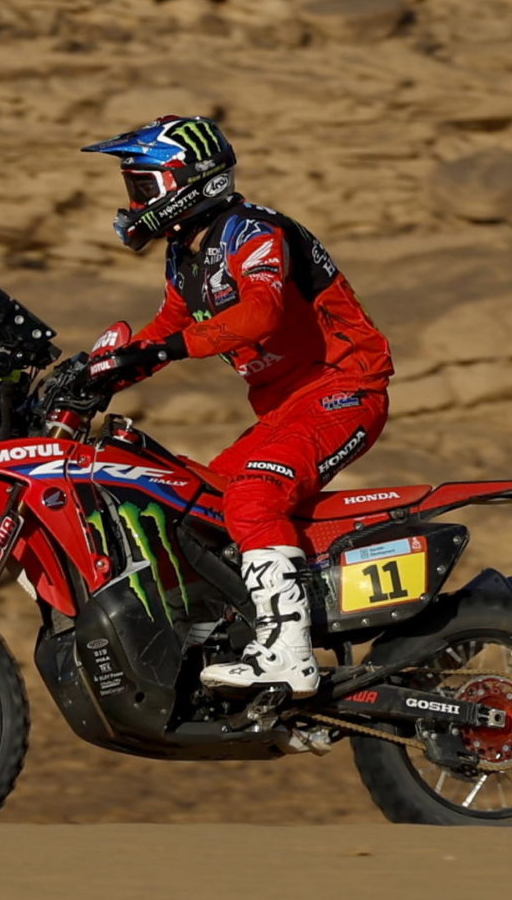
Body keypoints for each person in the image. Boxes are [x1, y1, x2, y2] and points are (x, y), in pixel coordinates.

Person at [78, 115, 392, 696]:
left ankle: (290, 657)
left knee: (252, 496)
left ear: (190, 181)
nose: (133, 201)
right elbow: (168, 327)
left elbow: (260, 313)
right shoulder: (184, 255)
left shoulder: (253, 231)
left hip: (345, 390)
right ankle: (236, 641)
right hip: (284, 410)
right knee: (200, 503)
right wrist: (98, 372)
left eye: (143, 186)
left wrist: (170, 347)